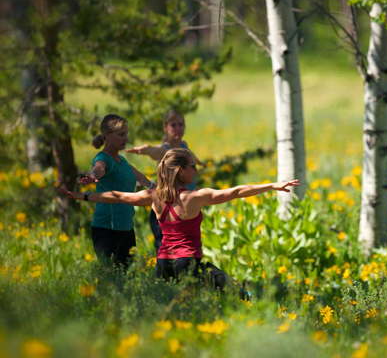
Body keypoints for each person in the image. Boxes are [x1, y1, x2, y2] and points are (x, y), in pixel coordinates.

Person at [62, 148, 299, 298]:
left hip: (163, 264)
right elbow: (236, 191)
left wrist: (83, 197)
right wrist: (273, 185)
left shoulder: (153, 197)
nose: (196, 169)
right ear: (180, 170)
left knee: (174, 310)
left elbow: (118, 197)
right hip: (187, 263)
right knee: (235, 292)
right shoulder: (194, 198)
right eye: (192, 166)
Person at [79, 114, 154, 268]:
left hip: (126, 228)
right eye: (121, 134)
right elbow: (98, 169)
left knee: (127, 276)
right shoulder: (104, 158)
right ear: (107, 135)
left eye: (126, 134)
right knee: (111, 276)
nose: (125, 138)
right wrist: (93, 177)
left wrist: (166, 190)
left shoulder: (123, 162)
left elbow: (145, 181)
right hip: (107, 229)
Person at [125, 110, 202, 252]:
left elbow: (193, 157)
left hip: (184, 208)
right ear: (165, 127)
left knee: (186, 249)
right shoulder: (164, 150)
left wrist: (201, 163)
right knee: (166, 250)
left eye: (180, 124)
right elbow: (153, 150)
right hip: (166, 209)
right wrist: (143, 150)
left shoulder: (184, 146)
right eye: (173, 125)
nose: (177, 128)